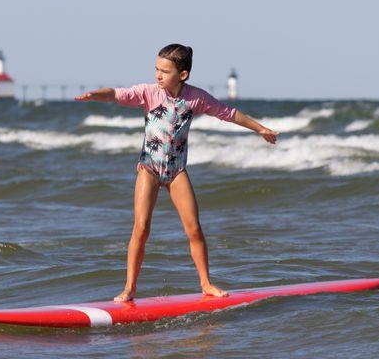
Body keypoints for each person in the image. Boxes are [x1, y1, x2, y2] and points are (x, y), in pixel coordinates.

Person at [75, 44, 279, 302]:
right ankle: (129, 288)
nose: (158, 75)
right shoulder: (148, 93)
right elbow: (118, 94)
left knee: (194, 228)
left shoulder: (196, 98)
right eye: (156, 69)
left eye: (165, 71)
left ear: (182, 75)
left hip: (176, 170)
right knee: (141, 227)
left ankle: (206, 284)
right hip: (149, 168)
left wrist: (260, 129)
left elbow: (228, 113)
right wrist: (95, 95)